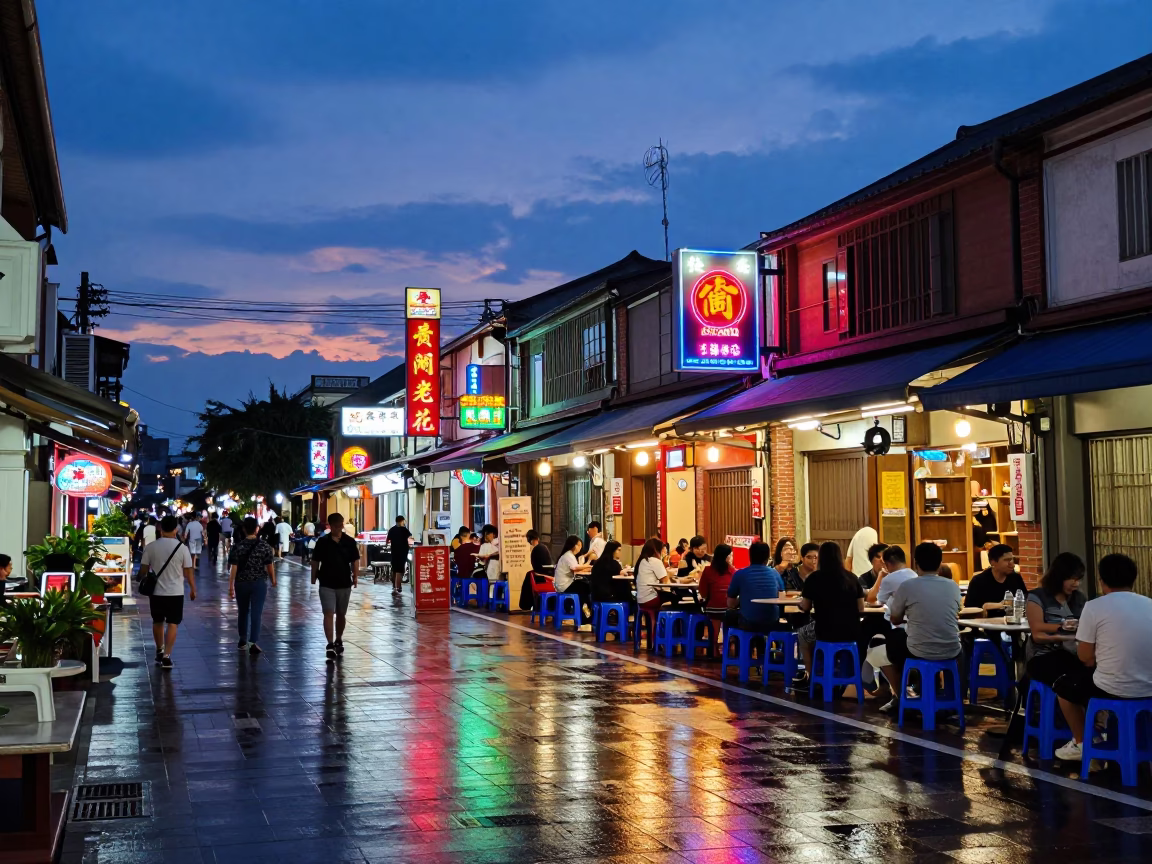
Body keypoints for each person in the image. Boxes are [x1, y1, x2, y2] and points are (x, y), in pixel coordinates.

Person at [1052, 553, 1152, 762]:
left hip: (1113, 688)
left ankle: (1083, 742)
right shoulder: (1149, 605)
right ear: (1133, 579)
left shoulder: (1094, 607)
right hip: (1148, 687)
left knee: (1063, 687)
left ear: (1102, 581)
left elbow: (1086, 657)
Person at [881, 542, 964, 715]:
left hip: (919, 650)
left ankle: (904, 696)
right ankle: (945, 696)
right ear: (940, 563)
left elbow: (895, 619)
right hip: (952, 649)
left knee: (890, 642)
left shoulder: (908, 586)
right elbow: (956, 611)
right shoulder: (953, 586)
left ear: (916, 563)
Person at [795, 542, 865, 688]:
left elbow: (806, 606)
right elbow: (861, 608)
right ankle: (845, 679)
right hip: (852, 631)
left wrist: (801, 604)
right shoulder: (851, 578)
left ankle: (812, 676)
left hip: (825, 631)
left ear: (821, 558)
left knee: (802, 633)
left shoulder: (814, 578)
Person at [1024, 552, 1087, 697]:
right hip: (1042, 657)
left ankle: (1092, 716)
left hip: (1073, 653)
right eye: (1072, 579)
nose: (1076, 584)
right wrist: (1064, 630)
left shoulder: (1079, 598)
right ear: (1059, 576)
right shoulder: (1037, 597)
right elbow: (1037, 633)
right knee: (1069, 680)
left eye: (1079, 579)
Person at [139, 515, 196, 669]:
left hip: (156, 592)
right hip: (175, 593)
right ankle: (167, 655)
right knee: (172, 623)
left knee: (157, 621)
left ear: (160, 528)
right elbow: (188, 571)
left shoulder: (151, 547)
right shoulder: (182, 548)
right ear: (176, 529)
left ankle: (159, 649)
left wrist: (141, 577)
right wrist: (192, 589)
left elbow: (143, 570)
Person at [311, 513, 360, 661]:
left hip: (344, 582)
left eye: (341, 525)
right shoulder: (322, 542)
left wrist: (355, 576)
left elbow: (355, 560)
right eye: (337, 525)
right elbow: (315, 561)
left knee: (341, 614)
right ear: (330, 526)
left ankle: (339, 638)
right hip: (326, 582)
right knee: (328, 612)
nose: (340, 528)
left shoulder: (349, 542)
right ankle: (330, 644)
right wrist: (313, 577)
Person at [227, 516, 277, 655]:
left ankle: (242, 640)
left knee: (243, 612)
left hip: (241, 583)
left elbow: (234, 568)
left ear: (243, 529)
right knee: (256, 612)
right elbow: (269, 565)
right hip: (259, 583)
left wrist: (231, 586)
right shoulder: (264, 546)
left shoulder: (237, 546)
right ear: (257, 528)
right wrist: (273, 579)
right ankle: (253, 641)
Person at [725, 540, 786, 636]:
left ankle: (733, 648)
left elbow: (730, 604)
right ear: (767, 558)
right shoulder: (775, 574)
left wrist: (742, 600)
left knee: (728, 615)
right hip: (772, 622)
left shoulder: (740, 574)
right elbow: (782, 596)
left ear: (750, 556)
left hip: (749, 622)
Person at [964, 543, 1027, 615]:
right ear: (993, 562)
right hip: (986, 624)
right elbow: (969, 610)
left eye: (1012, 560)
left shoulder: (1016, 578)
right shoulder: (978, 581)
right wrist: (999, 605)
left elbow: (1026, 600)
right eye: (1007, 560)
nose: (1012, 564)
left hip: (1012, 623)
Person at [553, 534, 592, 616]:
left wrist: (588, 568)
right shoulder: (568, 555)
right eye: (578, 545)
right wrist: (588, 564)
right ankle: (584, 612)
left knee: (585, 586)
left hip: (564, 585)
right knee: (586, 587)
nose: (580, 547)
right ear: (572, 545)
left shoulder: (569, 555)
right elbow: (575, 568)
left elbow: (577, 568)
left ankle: (581, 611)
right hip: (565, 585)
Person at [698, 543, 734, 612]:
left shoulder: (707, 570)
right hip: (729, 611)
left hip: (712, 610)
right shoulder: (733, 572)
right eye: (731, 555)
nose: (732, 558)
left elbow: (703, 593)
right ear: (727, 558)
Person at [634, 538, 667, 615]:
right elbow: (665, 581)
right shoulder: (655, 561)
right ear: (657, 550)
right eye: (662, 550)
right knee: (677, 599)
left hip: (641, 599)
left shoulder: (643, 560)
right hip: (651, 599)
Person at [387, 516, 413, 598]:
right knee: (400, 570)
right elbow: (410, 539)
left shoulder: (392, 530)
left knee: (395, 569)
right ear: (401, 521)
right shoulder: (404, 530)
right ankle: (397, 587)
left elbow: (387, 540)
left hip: (394, 552)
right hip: (402, 552)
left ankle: (395, 586)